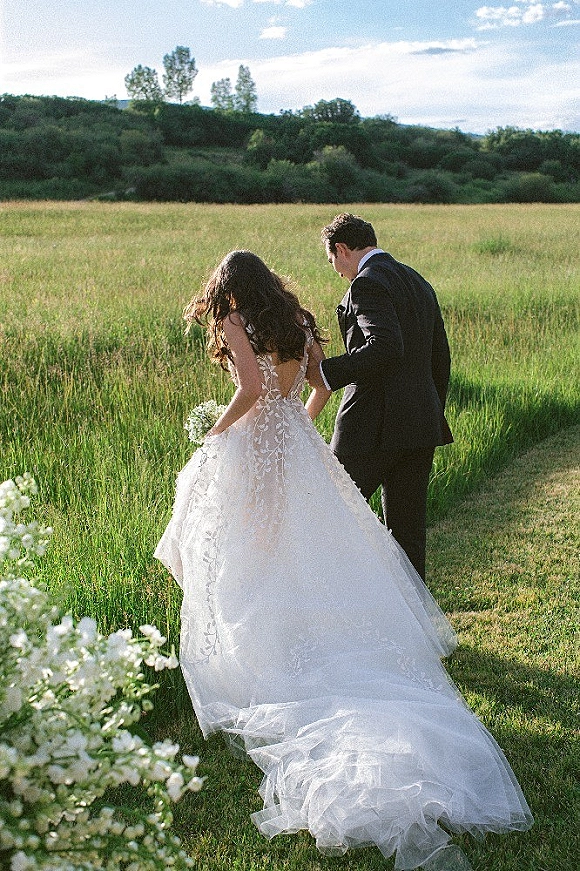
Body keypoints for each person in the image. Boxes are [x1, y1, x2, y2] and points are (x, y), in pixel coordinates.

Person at [155, 250, 532, 871]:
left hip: (255, 447)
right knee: (299, 548)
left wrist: (217, 434)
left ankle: (263, 653)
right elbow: (321, 385)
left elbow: (250, 389)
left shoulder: (233, 320)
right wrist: (295, 426)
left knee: (250, 546)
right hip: (296, 446)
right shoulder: (295, 319)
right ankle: (308, 636)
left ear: (227, 288)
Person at [320, 213, 453, 580]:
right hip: (420, 425)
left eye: (332, 261)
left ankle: (339, 602)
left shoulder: (366, 284)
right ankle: (414, 616)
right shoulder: (417, 281)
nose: (338, 272)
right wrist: (430, 409)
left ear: (342, 249)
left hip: (368, 428)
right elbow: (440, 358)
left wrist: (326, 373)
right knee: (408, 534)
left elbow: (386, 346)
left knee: (332, 513)